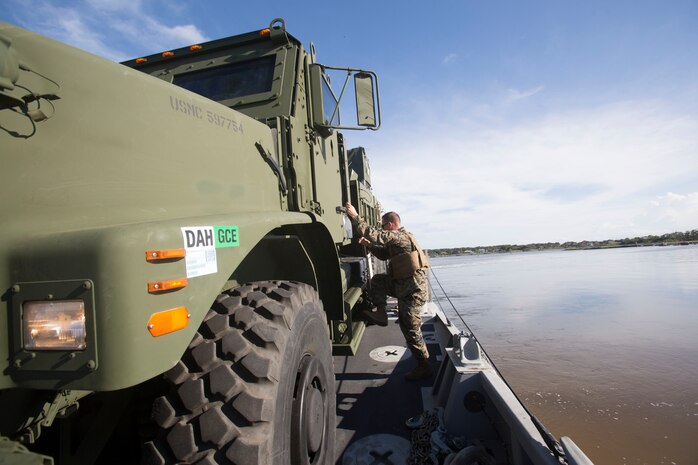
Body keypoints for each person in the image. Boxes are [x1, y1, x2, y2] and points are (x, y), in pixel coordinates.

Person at [344, 202, 432, 380]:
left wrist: (354, 217)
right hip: (402, 286)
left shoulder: (400, 237)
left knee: (410, 328)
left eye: (383, 225)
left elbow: (376, 235)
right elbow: (384, 254)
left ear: (391, 225)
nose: (382, 228)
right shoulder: (398, 241)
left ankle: (424, 365)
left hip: (413, 291)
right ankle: (382, 314)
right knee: (377, 281)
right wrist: (368, 245)